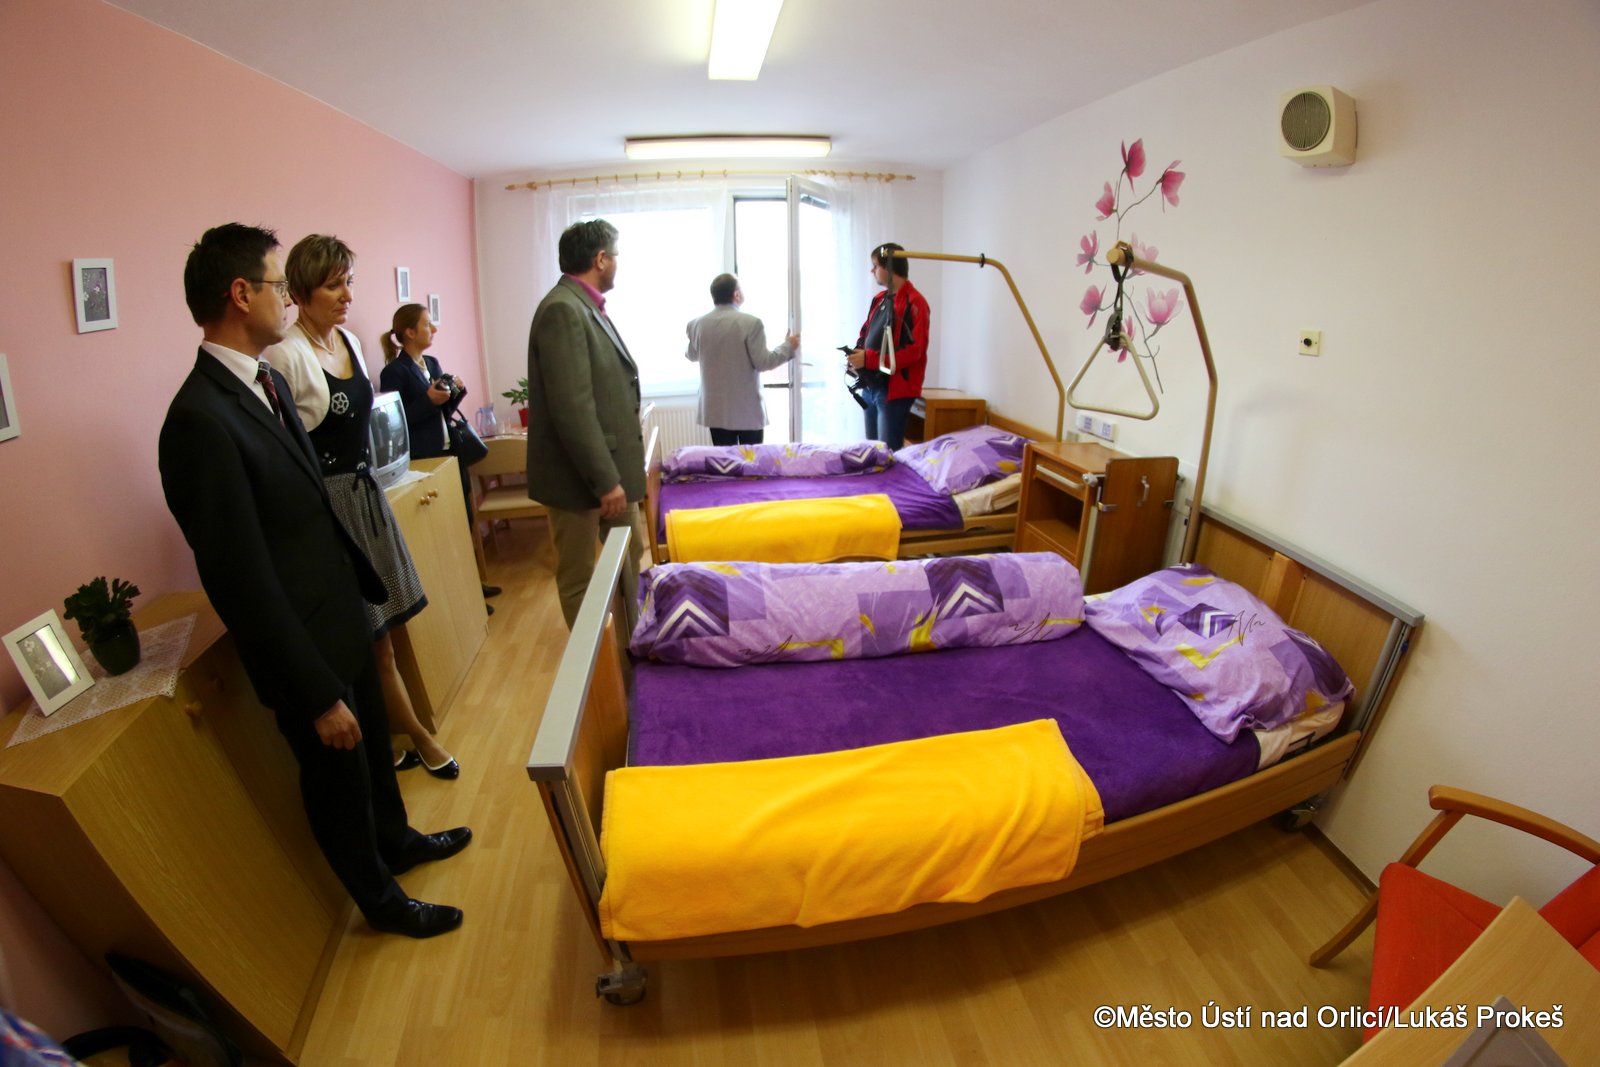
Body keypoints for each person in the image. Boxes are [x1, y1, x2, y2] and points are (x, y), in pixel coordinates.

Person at [160, 223, 469, 938]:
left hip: (340, 613)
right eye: (278, 283)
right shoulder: (199, 419)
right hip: (304, 641)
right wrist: (314, 693)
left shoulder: (262, 381)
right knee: (338, 779)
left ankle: (399, 841)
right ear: (242, 294)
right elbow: (240, 579)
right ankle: (381, 903)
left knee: (375, 756)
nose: (288, 298)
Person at [264, 237, 460, 781]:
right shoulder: (284, 356)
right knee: (370, 643)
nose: (347, 295)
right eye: (333, 285)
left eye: (348, 282)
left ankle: (393, 733)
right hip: (333, 511)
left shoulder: (348, 341)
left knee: (387, 635)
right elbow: (287, 453)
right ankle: (418, 736)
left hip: (365, 494)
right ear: (301, 291)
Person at [525, 219, 646, 629]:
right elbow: (572, 406)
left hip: (608, 469)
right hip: (580, 477)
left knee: (629, 558)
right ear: (600, 259)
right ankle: (600, 665)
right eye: (616, 256)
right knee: (580, 577)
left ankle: (630, 645)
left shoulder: (586, 306)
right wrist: (605, 480)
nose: (618, 263)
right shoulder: (563, 309)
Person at [376, 303, 502, 615]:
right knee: (443, 530)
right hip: (426, 459)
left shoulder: (430, 363)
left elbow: (443, 411)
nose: (434, 329)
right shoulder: (394, 372)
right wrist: (427, 400)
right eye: (427, 324)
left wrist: (456, 392)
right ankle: (460, 596)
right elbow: (397, 422)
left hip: (450, 453)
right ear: (409, 332)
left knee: (463, 520)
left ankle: (473, 585)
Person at [684, 273, 800, 446]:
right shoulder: (752, 323)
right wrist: (788, 346)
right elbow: (764, 362)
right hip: (747, 412)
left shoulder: (696, 325)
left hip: (716, 411)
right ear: (736, 294)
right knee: (750, 460)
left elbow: (691, 355)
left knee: (725, 460)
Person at [847, 242, 930, 450]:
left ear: (890, 267)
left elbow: (914, 351)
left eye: (875, 265)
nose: (872, 270)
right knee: (872, 452)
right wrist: (856, 357)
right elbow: (865, 333)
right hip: (870, 385)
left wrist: (869, 359)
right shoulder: (879, 300)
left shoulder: (915, 303)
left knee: (887, 454)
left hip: (894, 391)